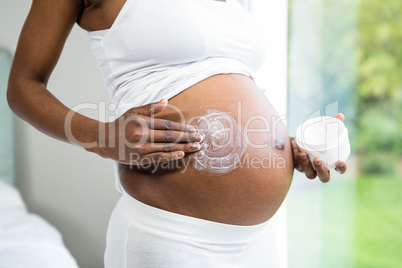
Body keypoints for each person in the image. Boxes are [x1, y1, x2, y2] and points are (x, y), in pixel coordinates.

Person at [7, 0, 347, 267]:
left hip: (260, 241)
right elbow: (23, 86)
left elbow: (226, 78)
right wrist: (104, 138)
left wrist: (284, 148)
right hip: (170, 236)